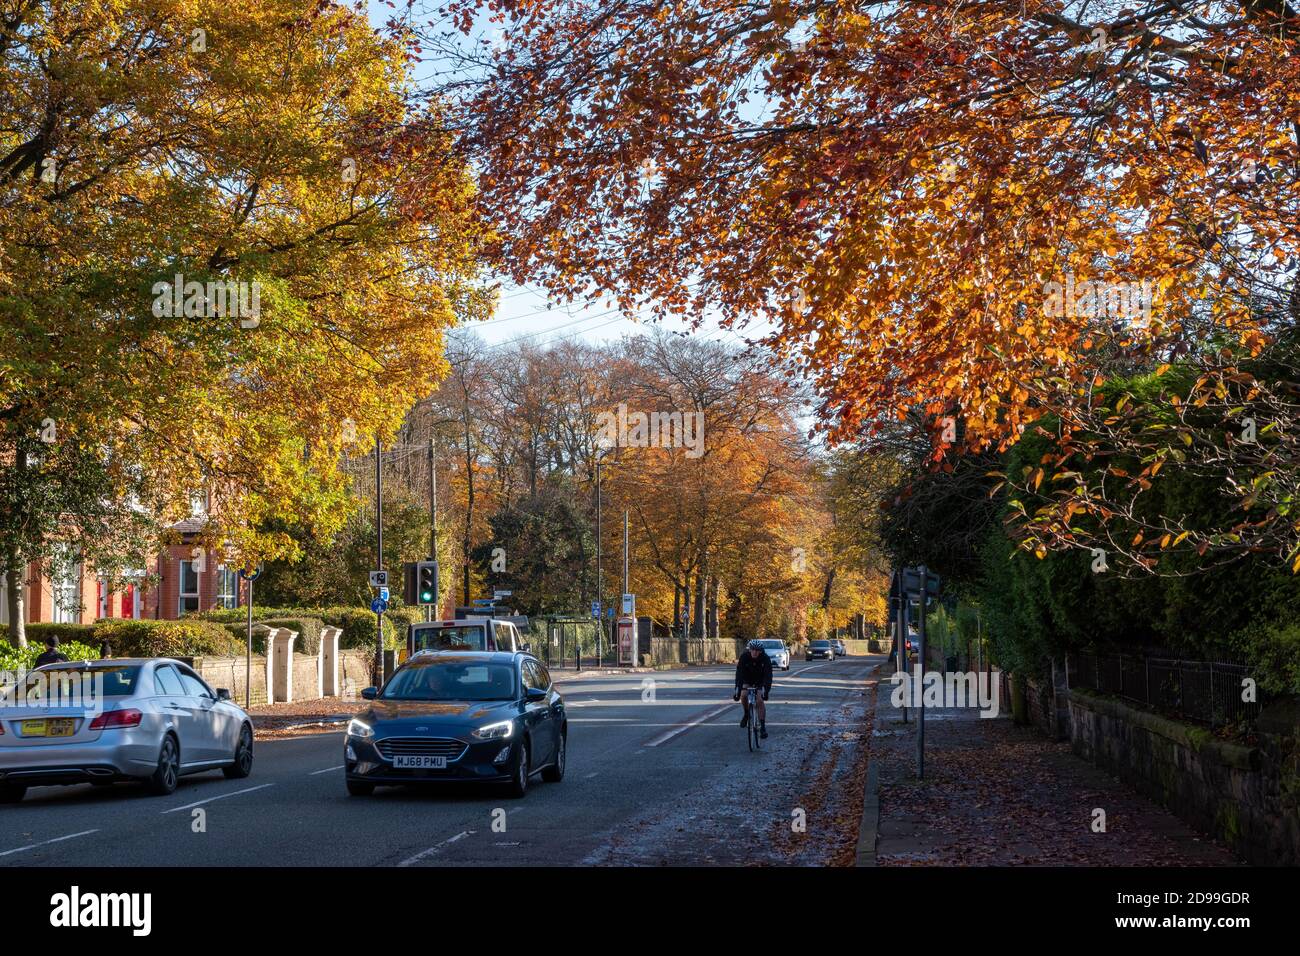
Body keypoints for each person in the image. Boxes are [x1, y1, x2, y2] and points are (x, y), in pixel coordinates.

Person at [734, 638, 774, 739]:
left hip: (760, 681)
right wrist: (737, 690)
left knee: (760, 700)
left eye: (757, 650)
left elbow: (768, 676)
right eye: (753, 649)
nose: (755, 652)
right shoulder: (744, 657)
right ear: (749, 649)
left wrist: (766, 691)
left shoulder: (765, 658)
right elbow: (739, 675)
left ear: (760, 651)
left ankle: (763, 727)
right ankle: (746, 714)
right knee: (743, 695)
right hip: (747, 679)